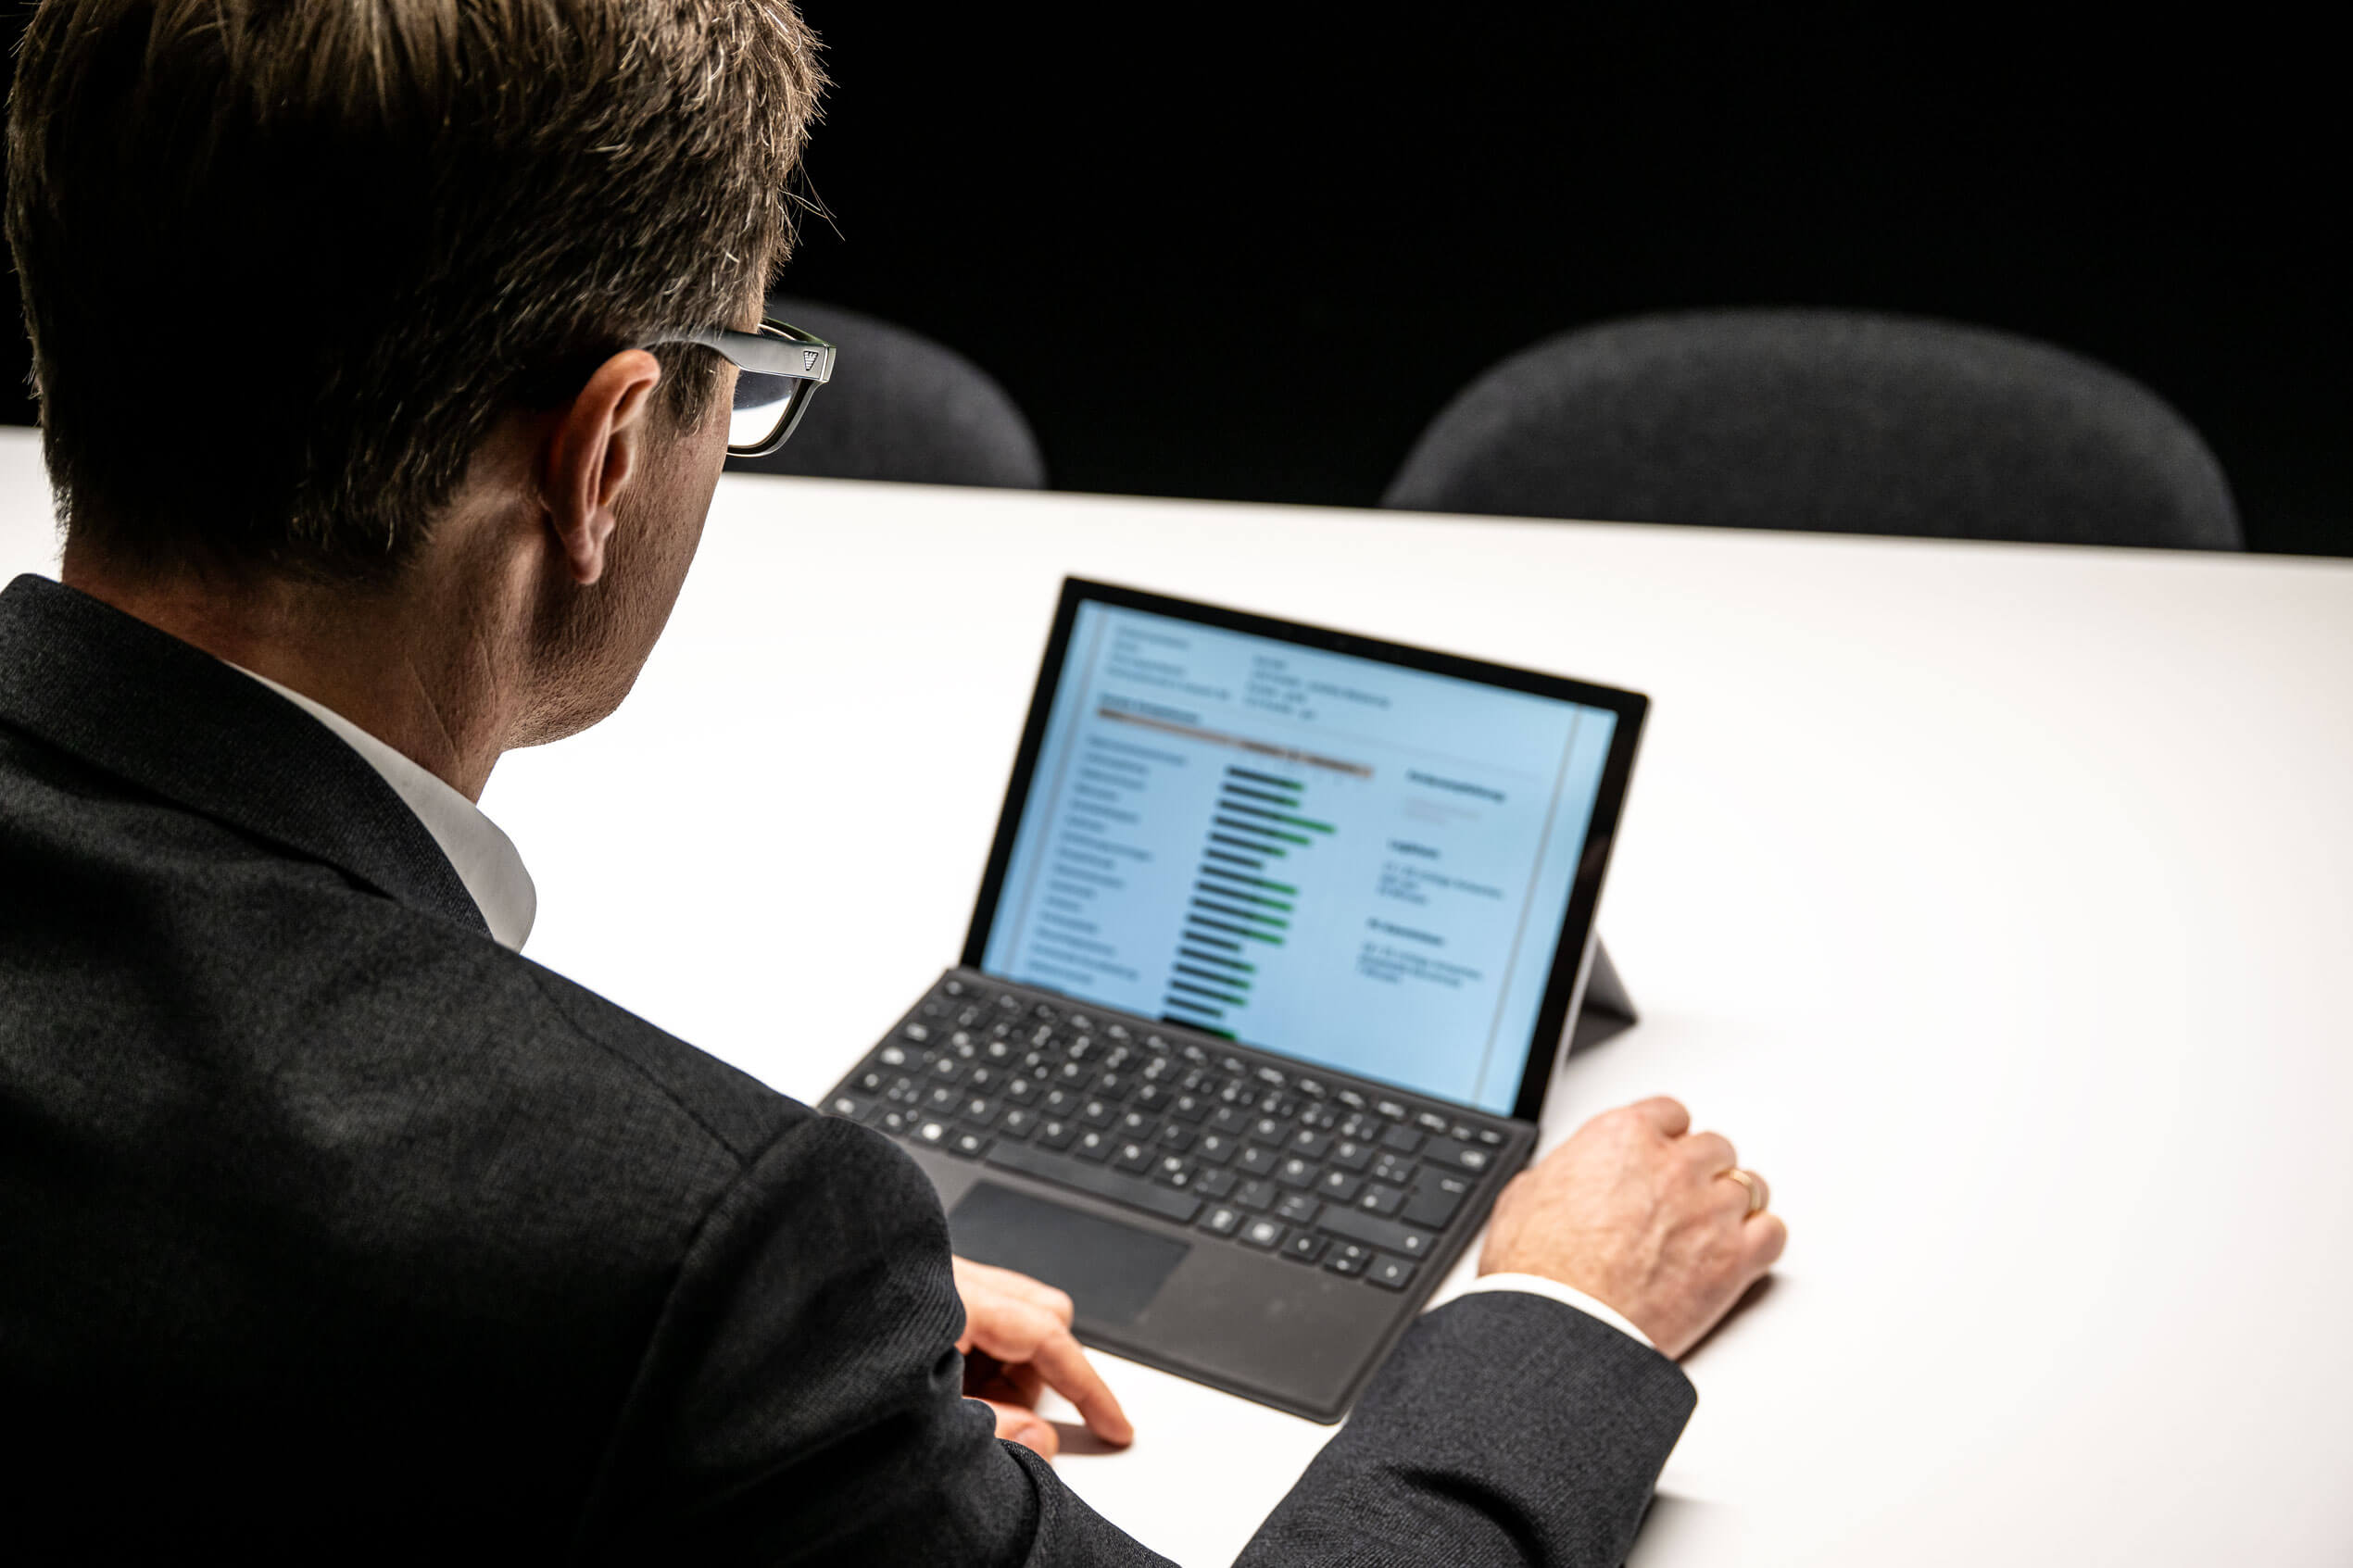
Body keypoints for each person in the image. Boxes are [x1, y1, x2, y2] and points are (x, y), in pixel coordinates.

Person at [0, 1, 1786, 1560]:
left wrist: (810, 1419)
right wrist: (1557, 1316)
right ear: (602, 454)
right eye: (738, 380)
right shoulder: (685, 1250)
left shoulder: (669, 1289)